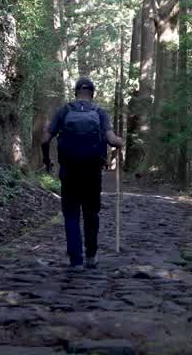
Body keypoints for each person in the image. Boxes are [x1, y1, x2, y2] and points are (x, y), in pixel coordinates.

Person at [42, 77, 123, 268]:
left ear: (76, 92)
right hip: (92, 171)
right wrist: (120, 142)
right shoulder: (99, 112)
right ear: (92, 94)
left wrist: (47, 161)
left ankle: (76, 260)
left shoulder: (64, 111)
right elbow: (112, 140)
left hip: (69, 170)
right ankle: (91, 257)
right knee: (91, 213)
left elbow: (45, 140)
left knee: (71, 214)